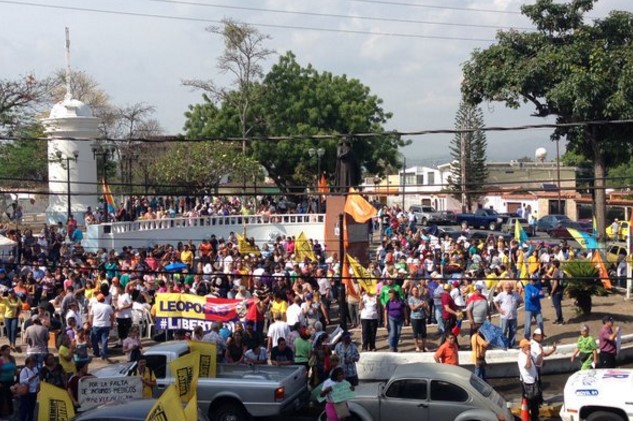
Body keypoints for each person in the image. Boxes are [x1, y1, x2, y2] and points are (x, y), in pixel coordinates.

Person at [493, 282, 523, 348]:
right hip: (504, 316)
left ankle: (511, 345)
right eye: (506, 288)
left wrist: (517, 304)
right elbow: (495, 301)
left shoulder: (515, 294)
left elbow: (521, 300)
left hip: (513, 316)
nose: (508, 289)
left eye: (509, 288)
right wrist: (499, 309)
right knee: (503, 331)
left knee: (513, 331)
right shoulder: (502, 294)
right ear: (504, 288)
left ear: (511, 288)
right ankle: (502, 345)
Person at [518, 338, 540, 421]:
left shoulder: (528, 353)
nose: (530, 346)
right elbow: (528, 366)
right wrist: (528, 356)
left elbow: (537, 361)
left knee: (535, 402)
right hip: (528, 383)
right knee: (532, 402)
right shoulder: (522, 356)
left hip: (533, 380)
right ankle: (533, 418)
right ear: (523, 347)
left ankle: (534, 416)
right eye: (528, 345)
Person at [89, 293, 115, 360]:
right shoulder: (108, 306)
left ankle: (96, 352)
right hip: (106, 325)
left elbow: (91, 316)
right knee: (104, 340)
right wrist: (112, 323)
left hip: (96, 325)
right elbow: (112, 316)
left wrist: (90, 324)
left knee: (95, 340)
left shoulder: (94, 306)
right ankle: (104, 353)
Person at [18, 355, 40, 421]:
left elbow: (37, 378)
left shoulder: (35, 369)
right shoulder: (24, 370)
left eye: (34, 362)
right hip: (27, 392)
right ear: (28, 363)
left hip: (34, 391)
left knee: (32, 408)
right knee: (25, 409)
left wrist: (38, 385)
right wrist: (30, 378)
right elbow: (21, 381)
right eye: (32, 362)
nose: (33, 364)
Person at [407, 286, 429, 352]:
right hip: (414, 318)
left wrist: (425, 306)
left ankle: (424, 346)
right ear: (412, 292)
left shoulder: (422, 299)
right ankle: (417, 347)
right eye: (414, 290)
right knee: (415, 333)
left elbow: (427, 308)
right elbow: (412, 309)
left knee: (424, 333)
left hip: (422, 317)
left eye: (416, 290)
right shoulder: (411, 299)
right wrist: (420, 305)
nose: (415, 292)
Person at [0, 345, 17, 418]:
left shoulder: (12, 359)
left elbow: (15, 370)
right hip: (2, 382)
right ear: (2, 352)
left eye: (9, 350)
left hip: (11, 381)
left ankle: (11, 413)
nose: (9, 351)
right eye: (7, 350)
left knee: (10, 398)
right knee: (1, 398)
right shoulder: (0, 360)